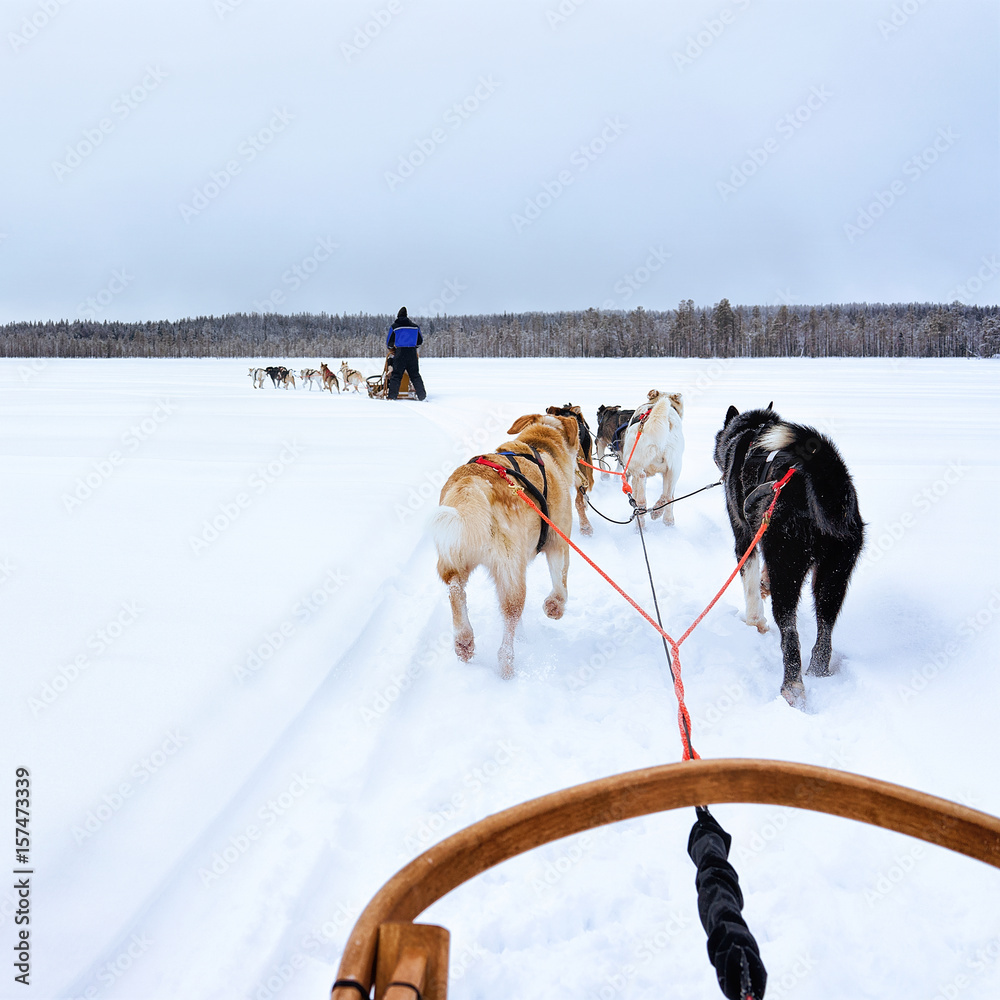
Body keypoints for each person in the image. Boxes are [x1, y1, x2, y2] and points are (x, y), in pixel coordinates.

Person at [385, 306, 427, 400]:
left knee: (396, 375)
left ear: (398, 316)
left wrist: (392, 348)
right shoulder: (415, 327)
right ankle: (422, 396)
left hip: (400, 353)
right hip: (412, 352)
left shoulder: (395, 327)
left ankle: (392, 397)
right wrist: (413, 346)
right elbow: (420, 341)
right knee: (415, 375)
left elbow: (389, 342)